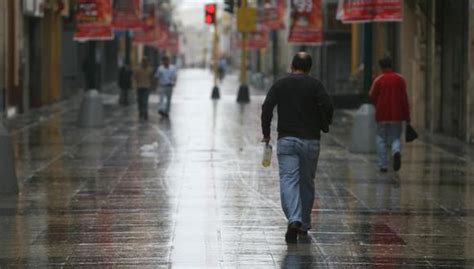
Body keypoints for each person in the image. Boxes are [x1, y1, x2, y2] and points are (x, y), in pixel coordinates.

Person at [261, 52, 333, 243]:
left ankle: (294, 219)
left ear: (292, 66)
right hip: (310, 141)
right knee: (307, 182)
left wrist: (266, 133)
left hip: (287, 141)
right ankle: (304, 224)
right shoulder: (315, 85)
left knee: (288, 180)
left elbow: (267, 107)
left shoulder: (280, 84)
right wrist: (324, 124)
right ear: (310, 68)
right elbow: (328, 106)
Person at [369, 57, 410, 172]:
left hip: (382, 115)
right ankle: (396, 151)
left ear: (381, 67)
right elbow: (404, 98)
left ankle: (383, 165)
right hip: (397, 115)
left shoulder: (379, 80)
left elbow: (372, 96)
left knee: (381, 138)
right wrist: (407, 116)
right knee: (396, 137)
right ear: (391, 65)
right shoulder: (400, 79)